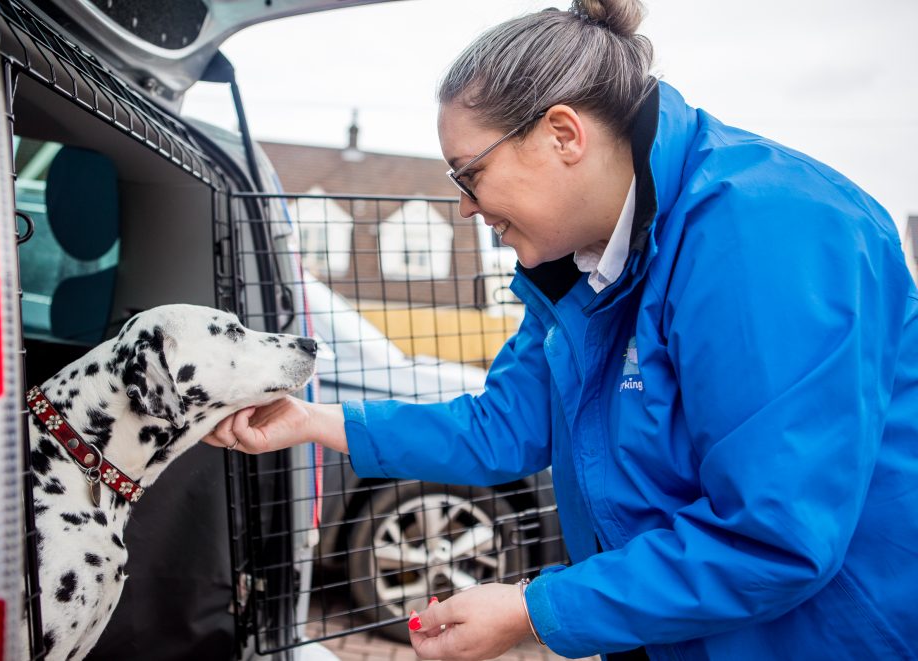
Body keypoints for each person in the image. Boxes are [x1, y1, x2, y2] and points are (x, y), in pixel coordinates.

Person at [205, 1, 918, 659]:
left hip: (817, 637)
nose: (464, 209)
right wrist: (306, 419)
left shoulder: (765, 235)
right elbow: (501, 427)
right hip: (682, 630)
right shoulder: (582, 268)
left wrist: (532, 610)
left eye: (468, 175)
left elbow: (774, 535)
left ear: (562, 134)